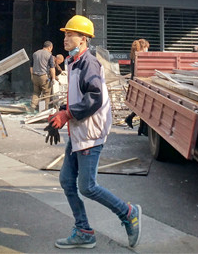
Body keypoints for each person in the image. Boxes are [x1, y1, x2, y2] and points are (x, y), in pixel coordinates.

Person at [47, 15, 142, 249]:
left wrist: (68, 115)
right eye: (65, 34)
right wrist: (61, 112)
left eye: (70, 34)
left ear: (83, 39)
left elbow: (94, 97)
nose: (65, 38)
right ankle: (84, 231)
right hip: (79, 131)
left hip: (90, 133)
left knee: (87, 186)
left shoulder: (88, 63)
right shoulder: (74, 62)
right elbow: (78, 96)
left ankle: (128, 213)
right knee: (67, 181)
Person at [124, 39, 149, 130]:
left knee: (141, 106)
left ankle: (134, 122)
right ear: (143, 48)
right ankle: (131, 119)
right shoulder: (139, 57)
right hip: (138, 83)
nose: (147, 50)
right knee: (143, 105)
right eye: (146, 48)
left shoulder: (134, 56)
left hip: (135, 83)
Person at [31, 41, 55, 111]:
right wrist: (53, 78)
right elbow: (52, 68)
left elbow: (31, 66)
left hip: (35, 75)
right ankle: (43, 109)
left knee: (36, 92)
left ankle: (33, 106)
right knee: (46, 93)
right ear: (50, 47)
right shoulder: (49, 55)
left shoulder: (35, 53)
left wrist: (32, 75)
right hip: (43, 76)